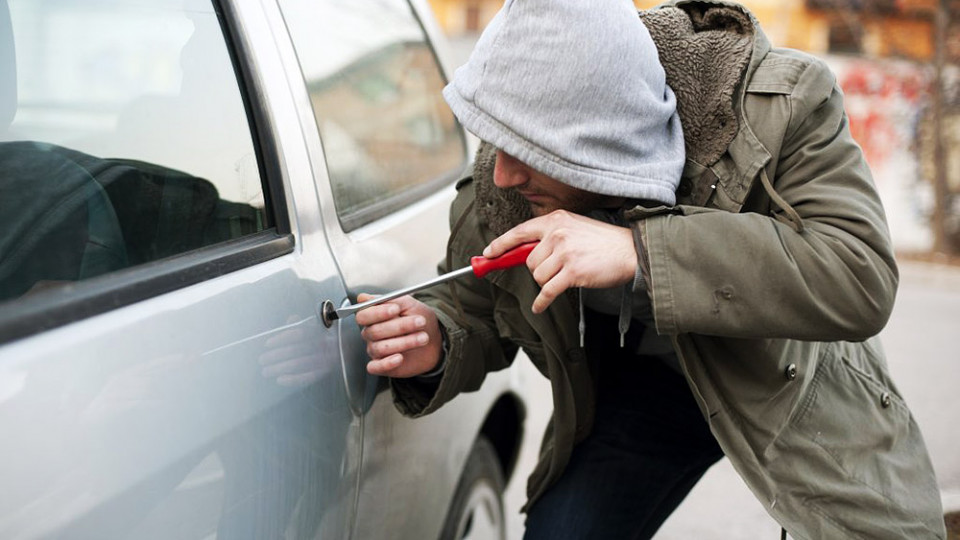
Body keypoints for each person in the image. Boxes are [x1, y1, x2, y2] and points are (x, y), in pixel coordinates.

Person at [356, 0, 946, 538]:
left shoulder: (782, 106)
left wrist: (639, 251)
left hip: (790, 379)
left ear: (597, 139)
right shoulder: (503, 186)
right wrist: (437, 339)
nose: (505, 174)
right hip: (645, 395)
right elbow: (476, 306)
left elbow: (858, 273)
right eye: (497, 143)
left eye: (529, 151)